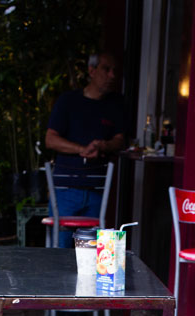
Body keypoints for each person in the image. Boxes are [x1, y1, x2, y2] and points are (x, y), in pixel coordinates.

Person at [45, 52, 125, 249]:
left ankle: (94, 281)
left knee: (96, 253)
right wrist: (82, 149)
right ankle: (55, 281)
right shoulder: (68, 101)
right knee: (59, 250)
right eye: (106, 69)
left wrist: (103, 146)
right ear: (92, 70)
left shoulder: (116, 104)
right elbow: (50, 139)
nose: (112, 75)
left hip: (99, 190)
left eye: (115, 71)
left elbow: (120, 140)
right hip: (65, 189)